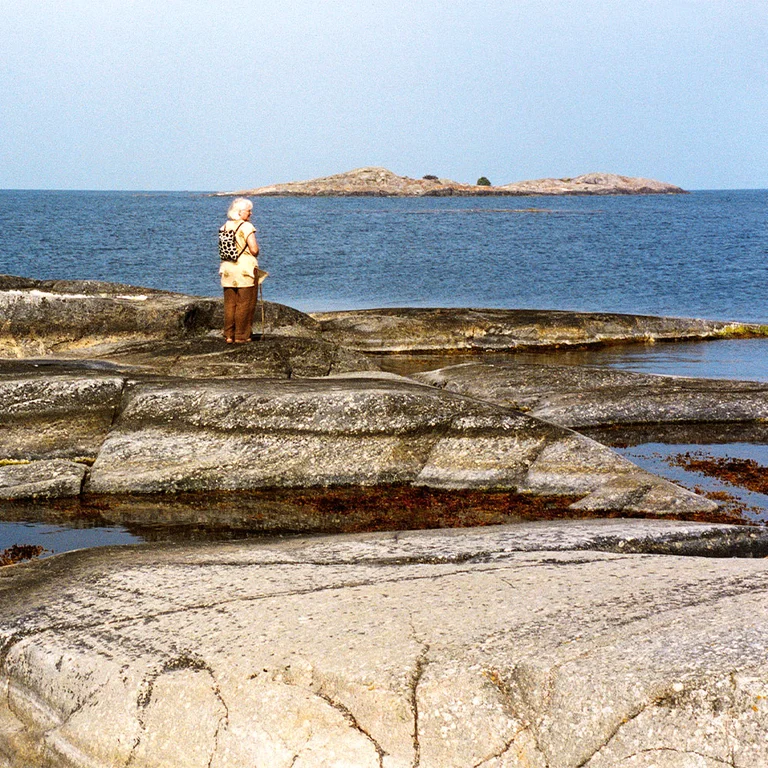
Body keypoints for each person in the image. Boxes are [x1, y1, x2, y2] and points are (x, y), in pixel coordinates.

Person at [219, 197, 261, 343]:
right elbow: (254, 249)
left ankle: (229, 335)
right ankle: (241, 336)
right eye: (249, 211)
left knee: (230, 303)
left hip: (227, 268)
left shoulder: (225, 225)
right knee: (245, 303)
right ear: (240, 212)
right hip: (244, 269)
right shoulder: (247, 227)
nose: (250, 214)